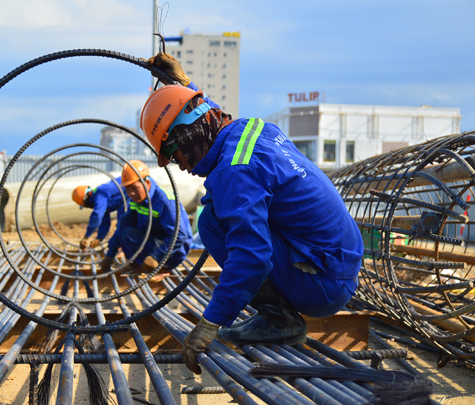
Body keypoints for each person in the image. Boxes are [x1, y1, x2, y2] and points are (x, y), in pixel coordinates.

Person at [140, 53, 364, 374]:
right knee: (220, 215)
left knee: (213, 223)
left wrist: (210, 324)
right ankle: (278, 312)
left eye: (176, 156)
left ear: (189, 138)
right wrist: (184, 86)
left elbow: (252, 255)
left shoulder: (236, 170)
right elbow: (202, 116)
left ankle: (280, 320)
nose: (183, 167)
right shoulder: (248, 131)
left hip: (323, 283)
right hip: (335, 263)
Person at [99, 160, 193, 279]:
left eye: (135, 188)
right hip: (155, 240)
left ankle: (160, 268)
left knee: (129, 233)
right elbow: (123, 226)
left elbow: (179, 236)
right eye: (127, 189)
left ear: (147, 183)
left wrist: (156, 256)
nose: (131, 193)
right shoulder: (136, 200)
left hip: (173, 252)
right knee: (125, 220)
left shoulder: (164, 200)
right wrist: (110, 255)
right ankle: (139, 265)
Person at [72, 179, 126, 249]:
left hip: (129, 192)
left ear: (87, 197)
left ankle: (122, 248)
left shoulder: (100, 195)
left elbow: (97, 216)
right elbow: (104, 222)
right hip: (124, 199)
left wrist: (87, 236)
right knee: (122, 221)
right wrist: (99, 239)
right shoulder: (100, 199)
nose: (88, 207)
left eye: (85, 205)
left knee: (122, 222)